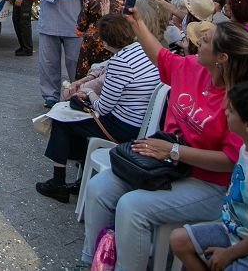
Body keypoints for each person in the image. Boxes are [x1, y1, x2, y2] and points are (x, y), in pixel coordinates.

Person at [78, 19, 248, 270]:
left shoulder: (243, 99)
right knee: (99, 189)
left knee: (132, 207)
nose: (199, 42)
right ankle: (94, 261)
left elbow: (230, 161)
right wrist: (136, 21)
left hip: (208, 183)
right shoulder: (192, 67)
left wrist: (175, 151)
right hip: (165, 165)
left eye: (207, 40)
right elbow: (161, 56)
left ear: (221, 57)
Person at [35, 15, 161, 203]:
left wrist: (88, 92)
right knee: (75, 119)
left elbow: (103, 107)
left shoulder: (120, 62)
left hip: (123, 126)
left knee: (62, 121)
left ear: (107, 40)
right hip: (141, 121)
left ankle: (58, 182)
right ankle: (80, 177)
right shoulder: (141, 50)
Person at [170, 82, 248, 271]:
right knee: (179, 240)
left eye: (232, 111)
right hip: (234, 231)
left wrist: (229, 254)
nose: (225, 112)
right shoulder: (247, 148)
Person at [74, 0, 128, 78]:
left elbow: (80, 26)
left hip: (91, 44)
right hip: (115, 45)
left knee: (86, 78)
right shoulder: (124, 2)